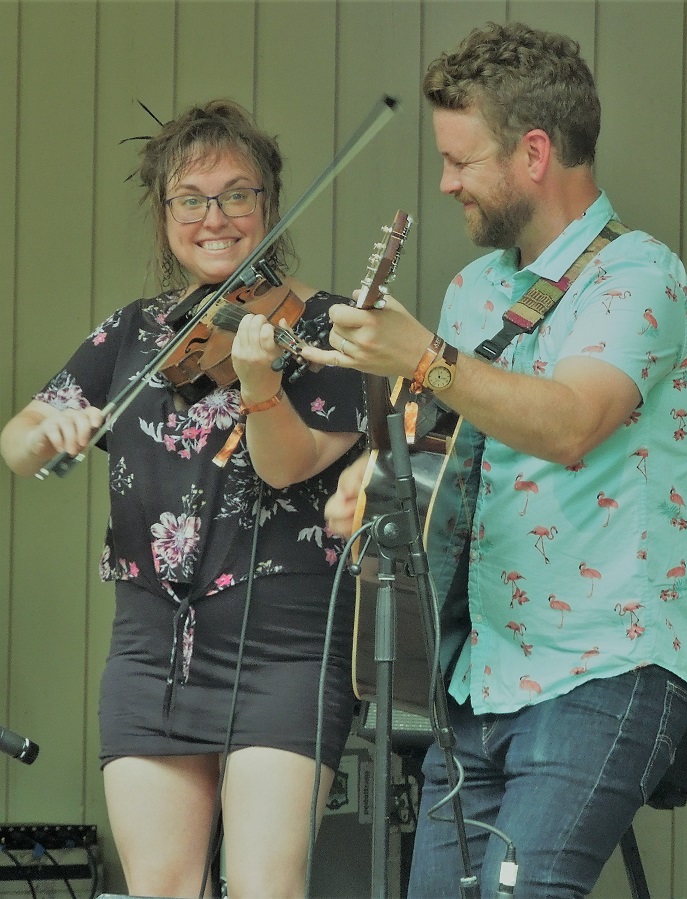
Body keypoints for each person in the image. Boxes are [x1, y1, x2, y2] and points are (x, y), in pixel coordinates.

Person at [300, 21, 687, 899]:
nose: (446, 182)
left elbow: (569, 423)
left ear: (533, 152)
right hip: (479, 675)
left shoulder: (641, 278)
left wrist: (425, 358)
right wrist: (371, 478)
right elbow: (450, 444)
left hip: (607, 665)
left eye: (462, 159)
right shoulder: (477, 288)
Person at [0, 99, 366, 898]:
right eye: (191, 199)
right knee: (161, 887)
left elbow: (286, 466)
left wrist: (262, 376)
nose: (215, 218)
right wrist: (48, 434)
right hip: (151, 649)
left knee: (265, 885)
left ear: (268, 204)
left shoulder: (330, 329)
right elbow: (17, 438)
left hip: (286, 650)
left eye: (237, 194)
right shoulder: (137, 331)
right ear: (164, 212)